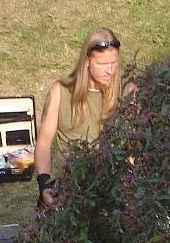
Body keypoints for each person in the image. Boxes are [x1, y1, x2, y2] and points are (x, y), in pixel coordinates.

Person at [34, 27, 133, 207]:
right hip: (71, 187)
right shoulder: (61, 91)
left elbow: (133, 146)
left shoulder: (127, 91)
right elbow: (44, 143)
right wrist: (44, 185)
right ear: (87, 61)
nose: (110, 70)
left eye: (114, 63)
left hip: (111, 188)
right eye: (103, 64)